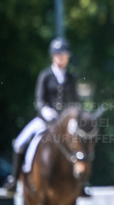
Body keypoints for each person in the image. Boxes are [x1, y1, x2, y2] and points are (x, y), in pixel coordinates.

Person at [4, 37, 79, 195]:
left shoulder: (71, 78)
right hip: (45, 120)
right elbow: (39, 99)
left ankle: (82, 181)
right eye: (59, 55)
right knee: (19, 143)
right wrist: (46, 110)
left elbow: (75, 102)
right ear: (53, 56)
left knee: (80, 144)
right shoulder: (45, 75)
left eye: (64, 55)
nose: (61, 58)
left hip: (65, 124)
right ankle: (14, 178)